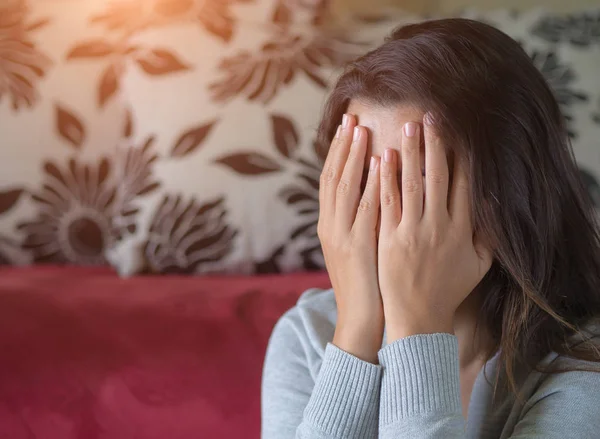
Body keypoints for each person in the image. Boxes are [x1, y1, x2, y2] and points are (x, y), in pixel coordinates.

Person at [261, 18, 600, 439]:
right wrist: (355, 332)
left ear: (512, 193)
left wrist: (417, 324)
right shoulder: (307, 335)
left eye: (419, 187)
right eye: (364, 182)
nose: (386, 220)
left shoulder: (586, 365)